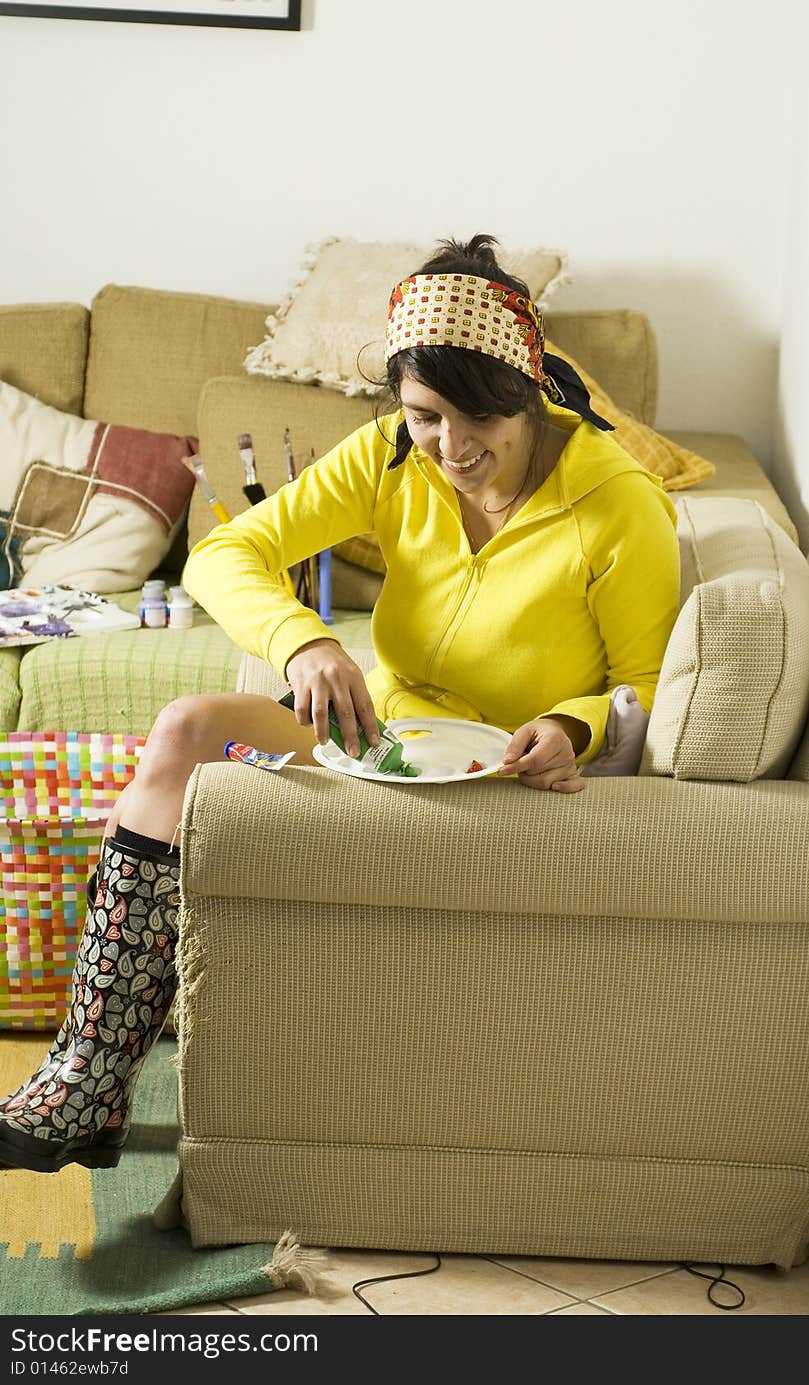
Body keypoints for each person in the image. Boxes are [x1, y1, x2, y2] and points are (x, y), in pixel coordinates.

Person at [0, 234, 680, 1175]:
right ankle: (89, 1077)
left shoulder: (621, 505)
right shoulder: (396, 457)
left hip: (500, 783)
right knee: (185, 729)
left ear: (528, 387)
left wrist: (572, 726)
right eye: (427, 416)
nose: (453, 446)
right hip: (381, 746)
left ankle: (90, 1087)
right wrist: (307, 641)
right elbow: (223, 554)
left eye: (478, 415)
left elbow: (643, 686)